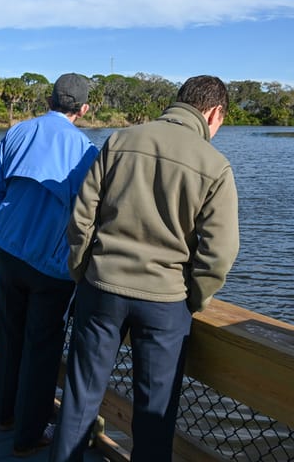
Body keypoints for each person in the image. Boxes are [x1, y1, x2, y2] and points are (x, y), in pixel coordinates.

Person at [50, 75, 240, 462]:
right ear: (215, 113)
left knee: (80, 397)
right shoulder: (215, 165)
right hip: (165, 301)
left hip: (101, 287)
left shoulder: (120, 140)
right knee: (155, 414)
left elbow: (81, 218)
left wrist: (83, 269)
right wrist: (194, 297)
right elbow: (219, 252)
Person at [0, 73, 99, 457]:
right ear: (84, 109)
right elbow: (89, 216)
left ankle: (3, 413)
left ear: (48, 100)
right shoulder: (85, 151)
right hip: (53, 265)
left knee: (8, 334)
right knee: (42, 349)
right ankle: (29, 434)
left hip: (9, 253)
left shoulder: (18, 133)